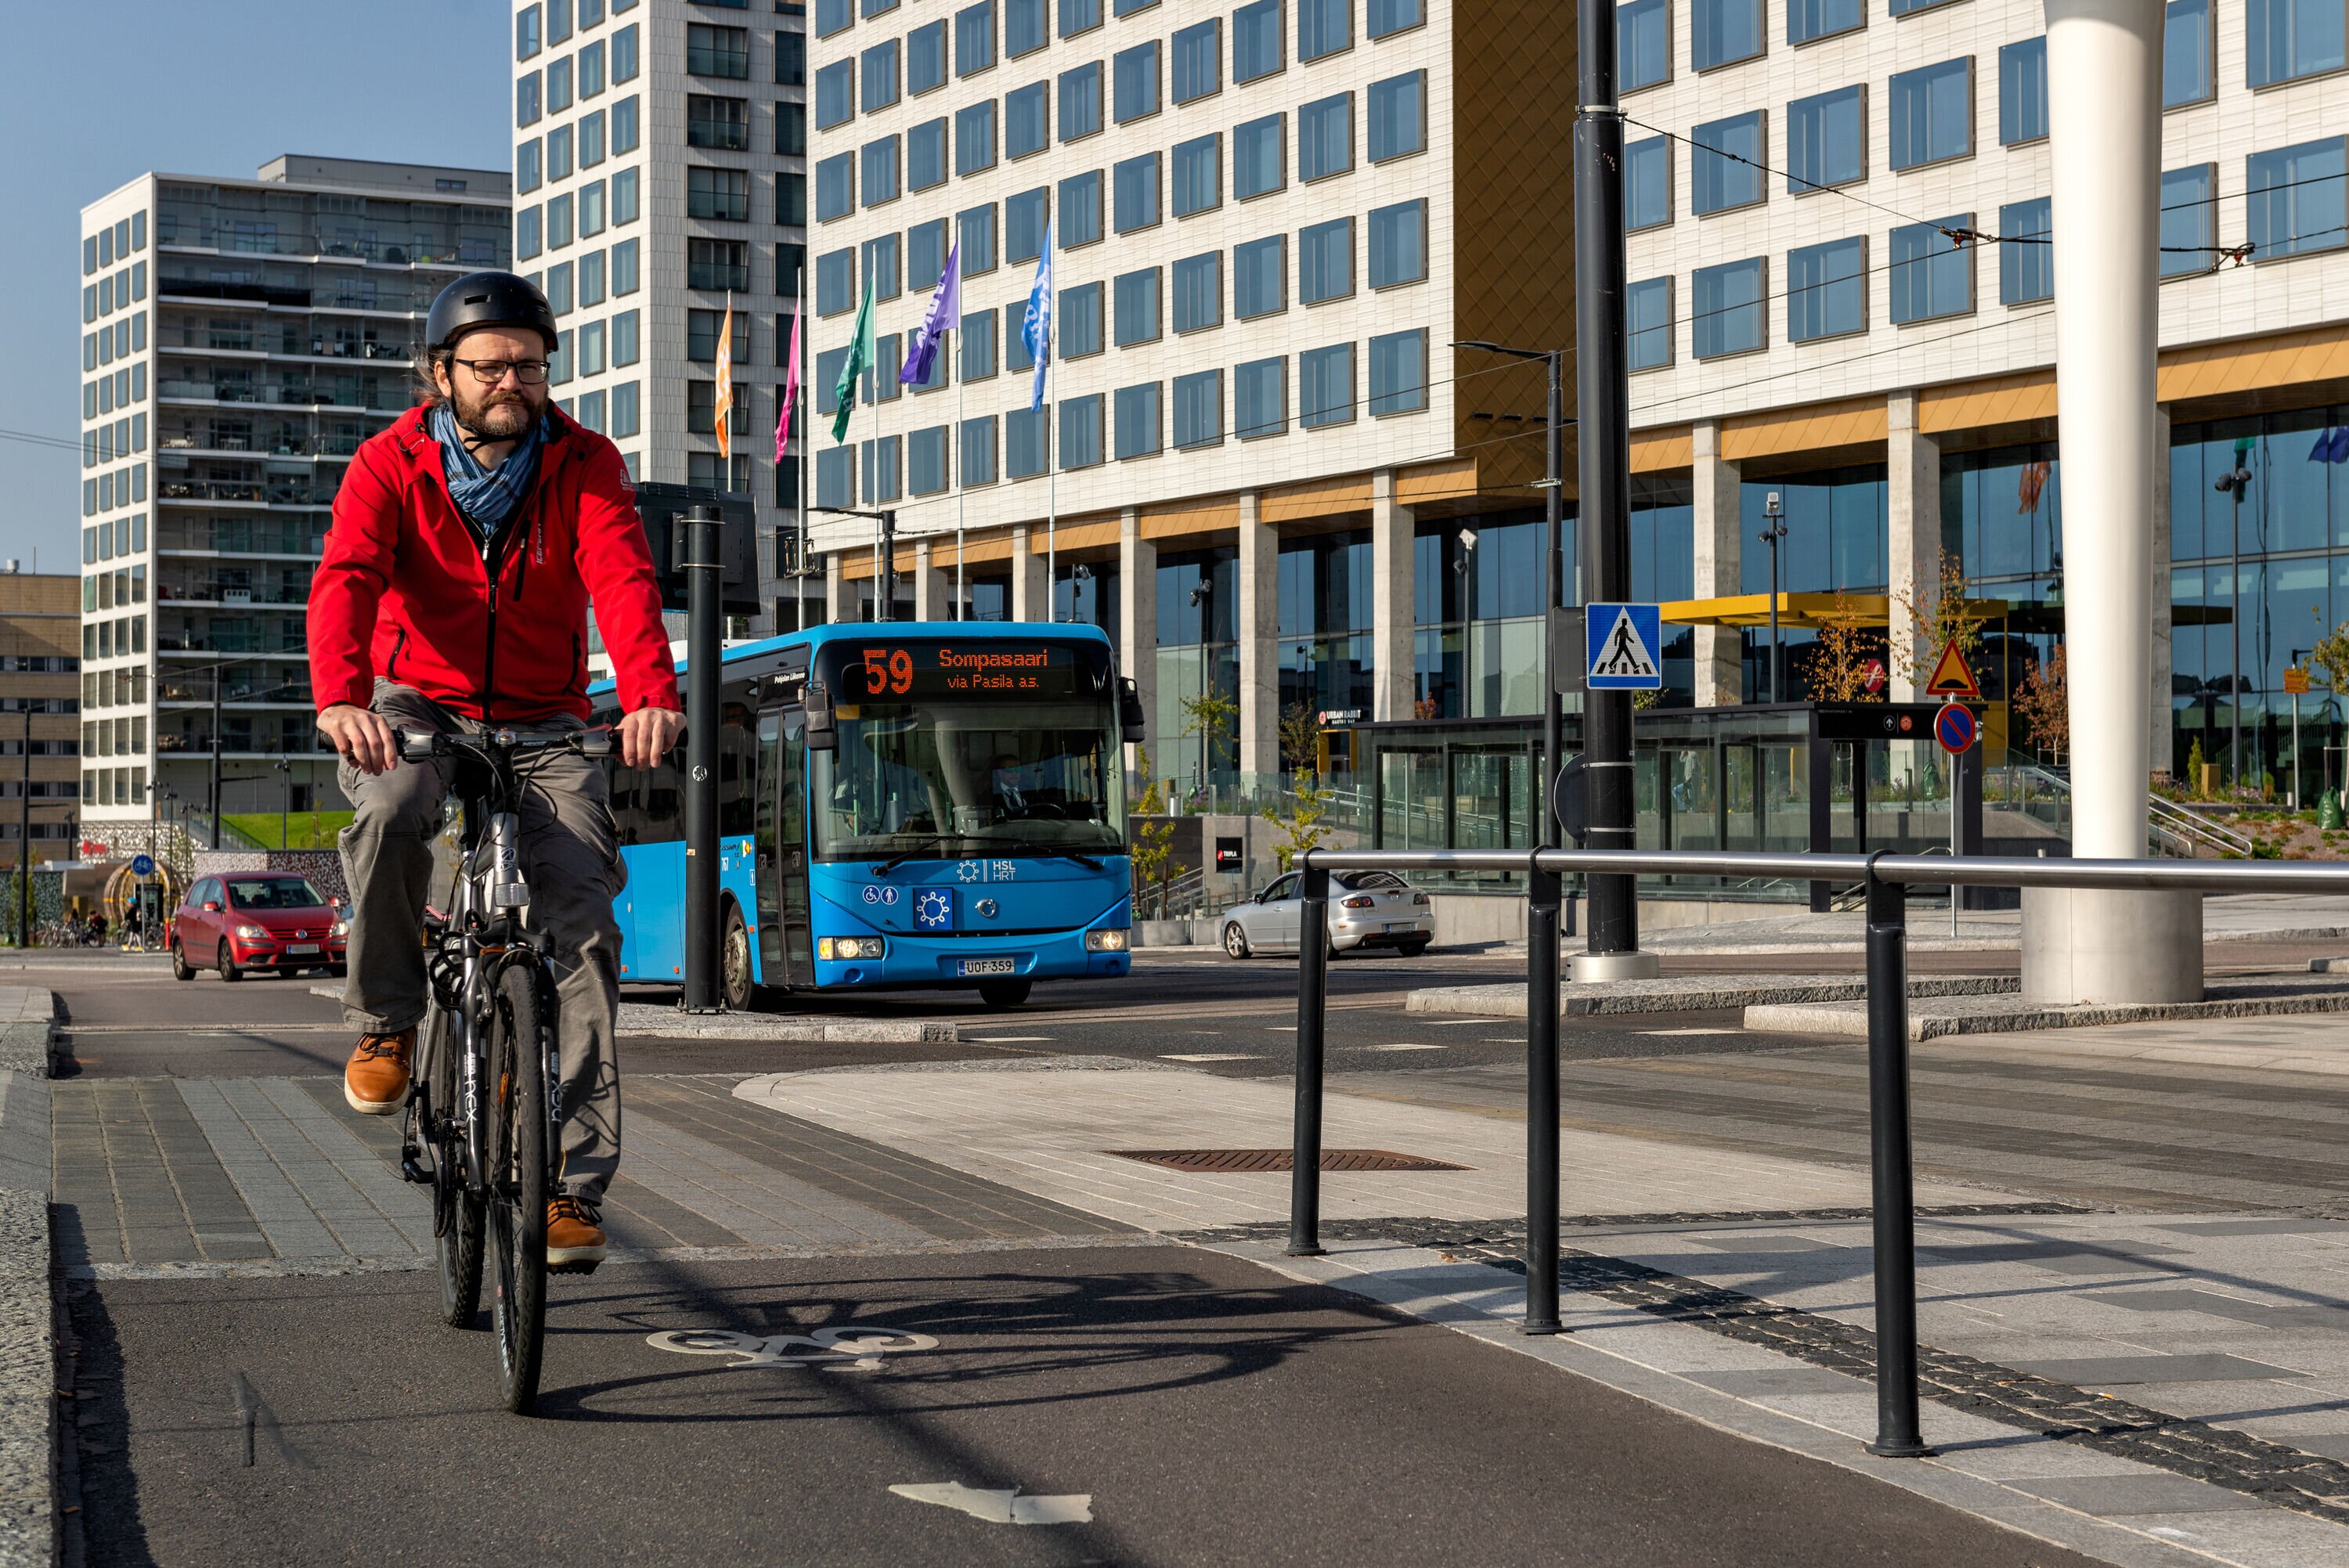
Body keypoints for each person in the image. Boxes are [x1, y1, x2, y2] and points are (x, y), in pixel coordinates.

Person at [308, 272, 684, 1271]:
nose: (512, 379)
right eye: (490, 364)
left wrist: (649, 688)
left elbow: (622, 576)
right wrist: (343, 693)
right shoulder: (389, 464)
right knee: (391, 810)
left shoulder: (585, 463)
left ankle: (570, 1183)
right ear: (442, 375)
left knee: (583, 924)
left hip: (548, 716)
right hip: (417, 700)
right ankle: (387, 1021)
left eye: (529, 362)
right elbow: (347, 574)